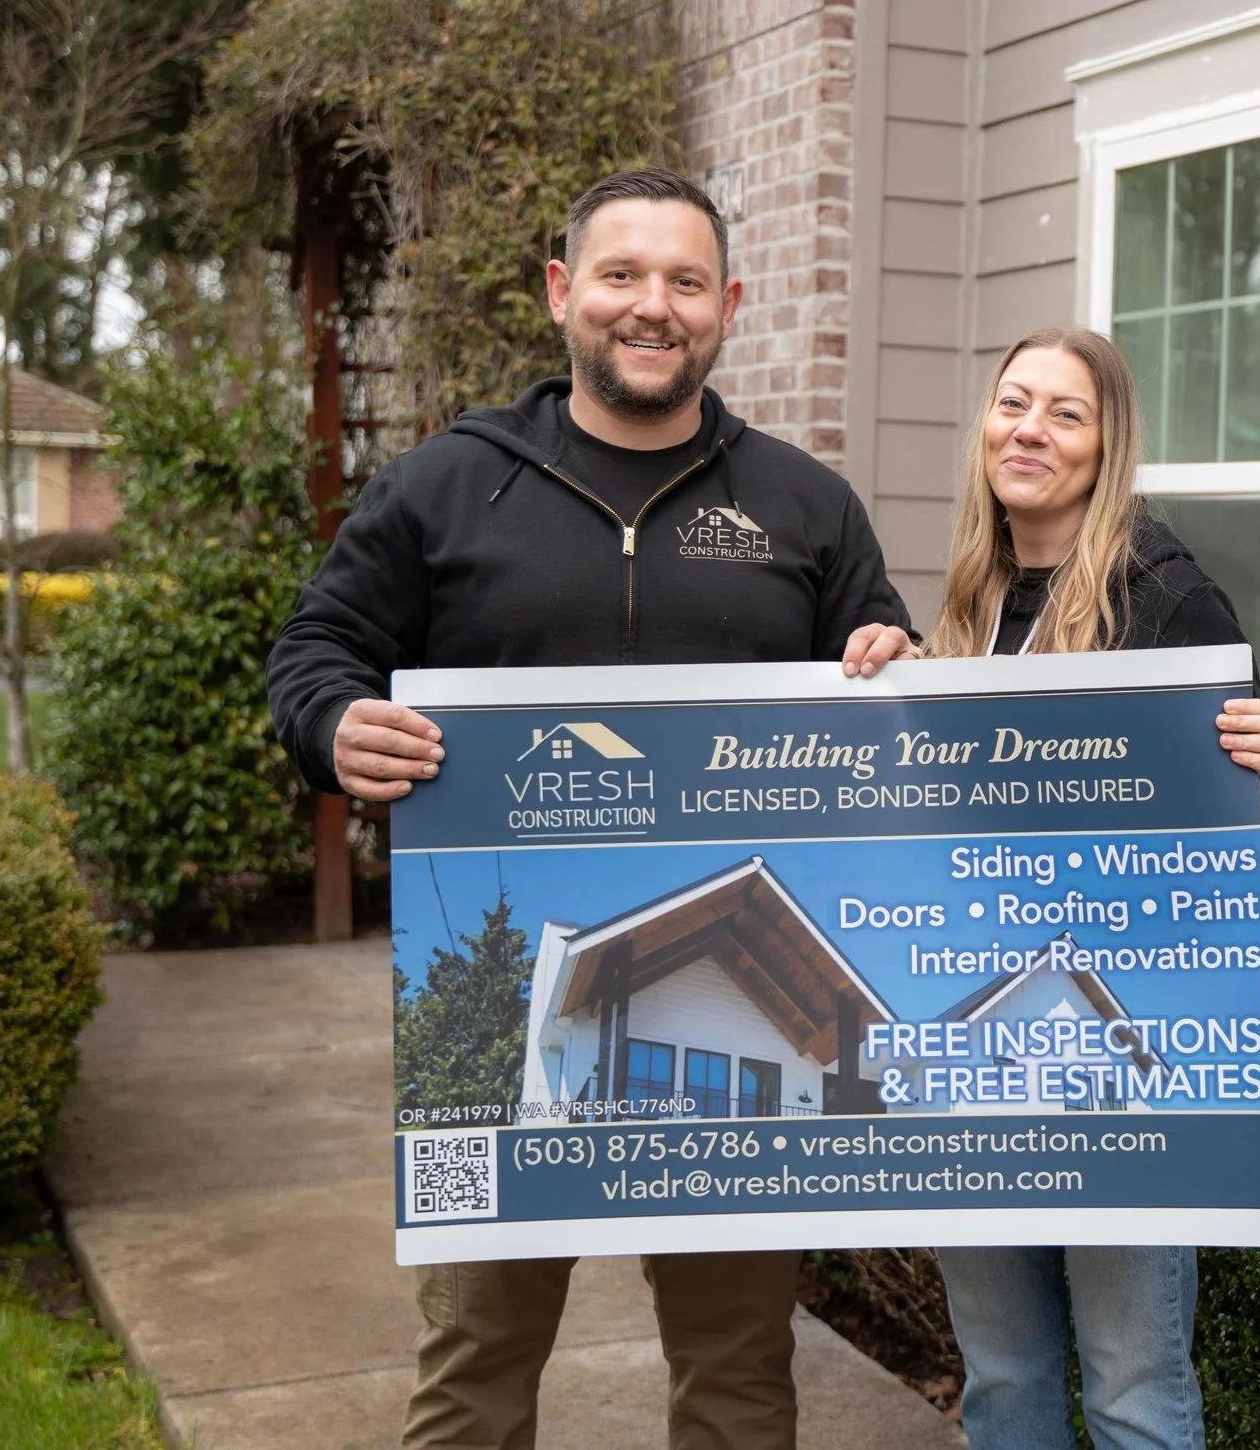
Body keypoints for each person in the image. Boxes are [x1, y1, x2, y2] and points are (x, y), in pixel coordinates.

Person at [265, 167, 918, 1450]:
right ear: (565, 293)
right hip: (490, 995)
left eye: (684, 281)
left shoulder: (801, 503)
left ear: (727, 305)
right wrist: (335, 723)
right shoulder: (446, 487)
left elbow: (877, 669)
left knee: (738, 1373)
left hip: (735, 1008)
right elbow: (316, 646)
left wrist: (888, 668)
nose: (652, 306)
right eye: (622, 275)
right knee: (474, 1367)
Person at [843, 327, 1260, 1450]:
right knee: (1002, 1380)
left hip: (1117, 1051)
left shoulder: (1170, 602)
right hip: (972, 1047)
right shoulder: (969, 602)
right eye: (1013, 403)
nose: (1030, 430)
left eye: (1065, 412)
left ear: (1105, 448)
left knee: (1136, 1388)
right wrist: (876, 686)